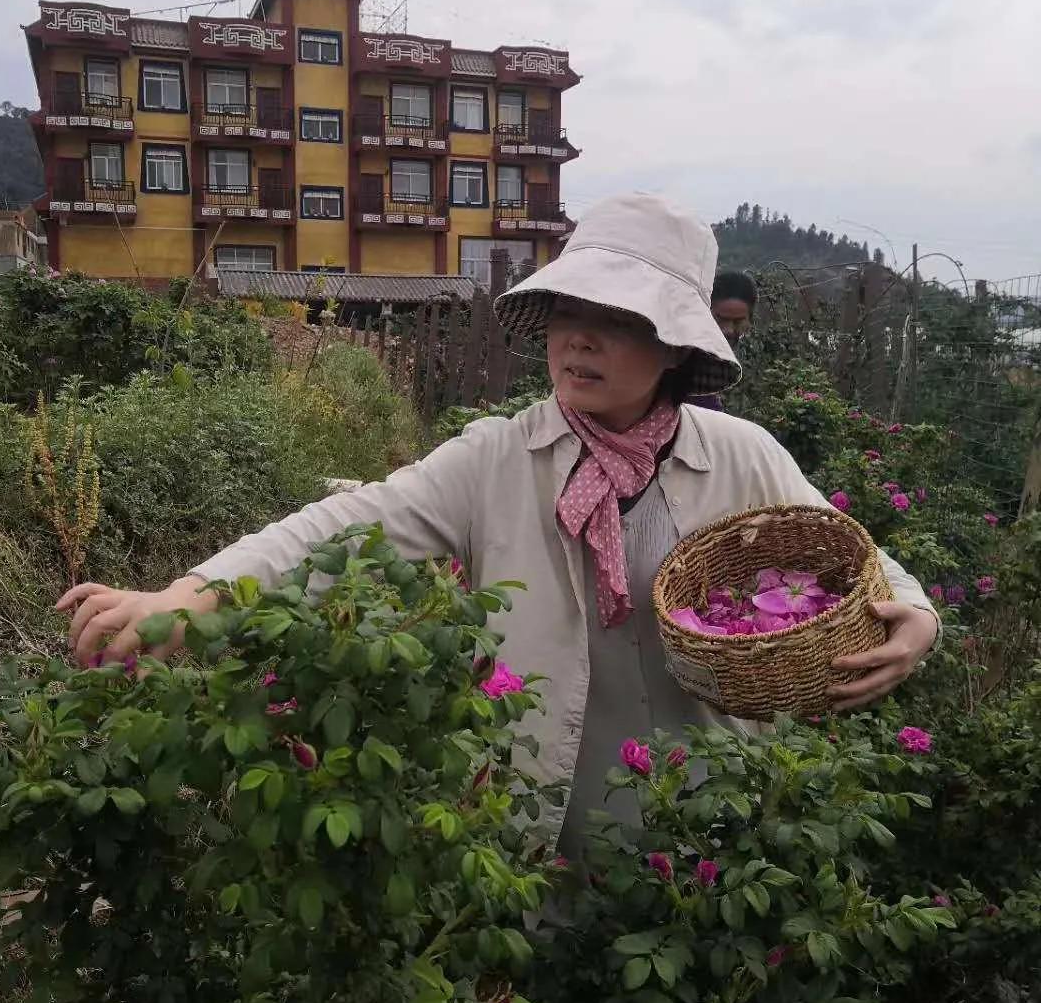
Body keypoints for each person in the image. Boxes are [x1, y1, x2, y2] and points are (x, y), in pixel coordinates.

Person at [57, 195, 938, 853]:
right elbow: (350, 524)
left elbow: (852, 560)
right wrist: (192, 593)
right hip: (539, 816)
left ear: (675, 347)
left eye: (617, 322)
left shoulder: (741, 457)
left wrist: (915, 617)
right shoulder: (497, 457)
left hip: (704, 814)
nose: (580, 341)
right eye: (570, 315)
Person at [687, 270, 759, 412]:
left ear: (750, 320)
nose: (728, 330)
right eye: (720, 319)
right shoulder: (682, 356)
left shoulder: (728, 360)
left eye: (738, 321)